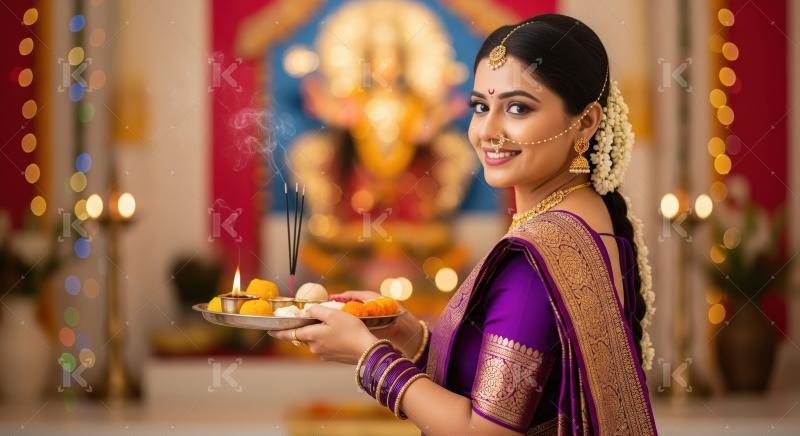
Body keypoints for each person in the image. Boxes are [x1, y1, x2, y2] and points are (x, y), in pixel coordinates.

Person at [271, 13, 657, 435]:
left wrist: (368, 356)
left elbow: (483, 431)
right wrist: (404, 333)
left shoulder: (535, 258)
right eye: (480, 106)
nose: (487, 131)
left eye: (517, 108)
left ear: (585, 122)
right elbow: (519, 393)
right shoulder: (591, 218)